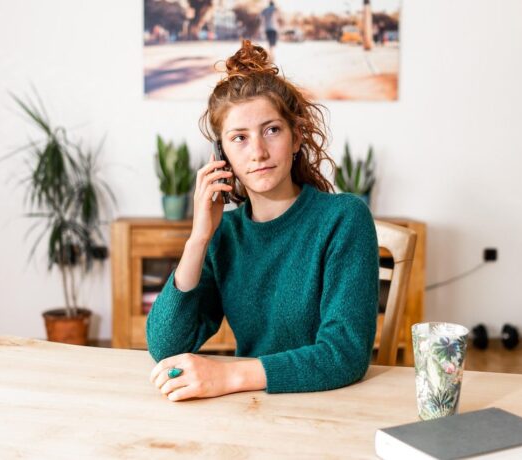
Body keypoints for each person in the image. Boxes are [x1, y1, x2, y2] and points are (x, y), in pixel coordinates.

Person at [147, 40, 379, 402]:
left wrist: (228, 374)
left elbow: (345, 354)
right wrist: (198, 239)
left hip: (330, 405)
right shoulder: (225, 235)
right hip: (252, 406)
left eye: (271, 130)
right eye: (239, 138)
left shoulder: (344, 218)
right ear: (221, 156)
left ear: (296, 137)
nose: (258, 151)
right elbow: (166, 346)